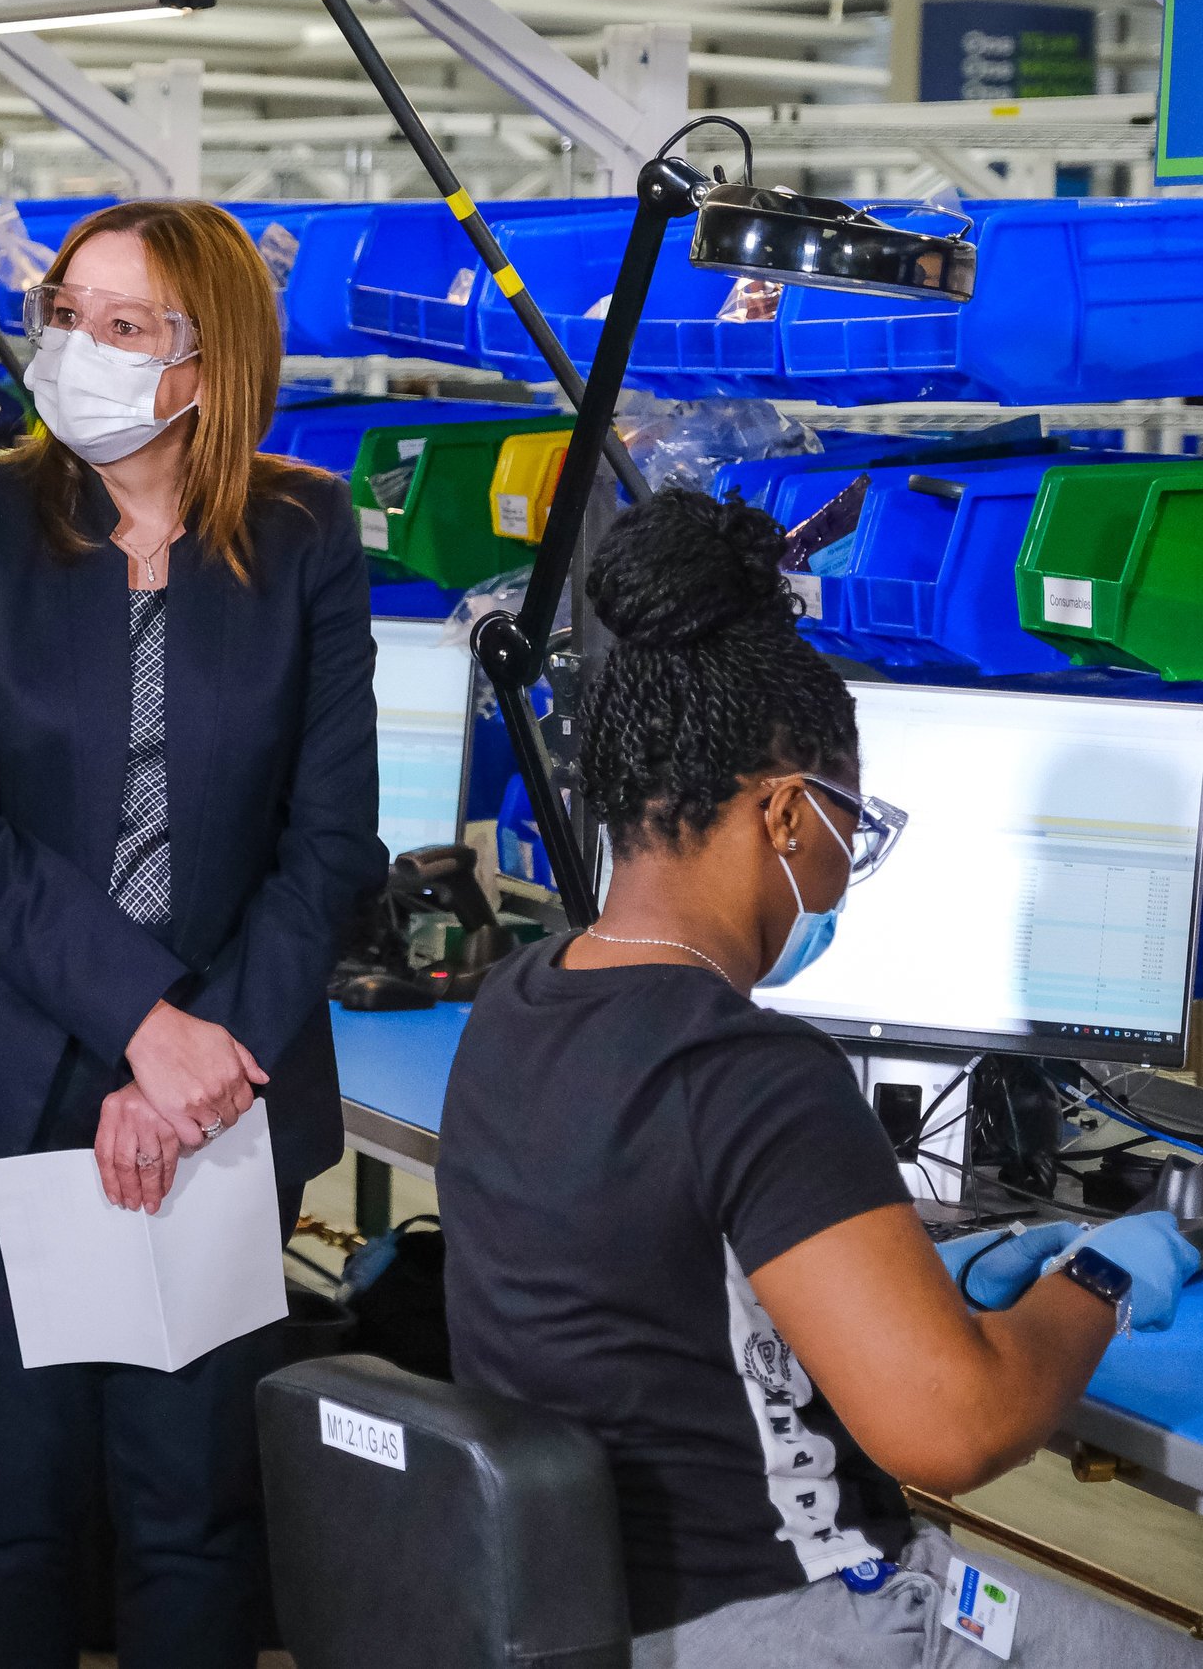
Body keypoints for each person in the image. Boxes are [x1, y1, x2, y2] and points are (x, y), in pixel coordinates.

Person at [439, 490, 1203, 1668]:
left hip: (575, 1611)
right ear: (789, 814)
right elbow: (955, 1431)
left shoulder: (522, 999)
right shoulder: (751, 1071)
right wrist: (1102, 1272)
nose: (851, 857)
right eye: (856, 821)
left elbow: (673, 1275)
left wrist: (913, 1269)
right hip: (796, 1617)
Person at [0, 200, 384, 1669]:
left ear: (207, 366)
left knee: (189, 1513)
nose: (75, 347)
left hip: (219, 1101)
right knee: (9, 1515)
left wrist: (190, 1064)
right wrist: (145, 1028)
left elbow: (329, 840)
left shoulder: (303, 537)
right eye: (64, 312)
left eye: (122, 325)